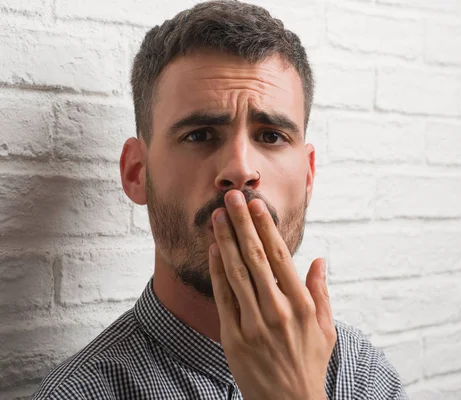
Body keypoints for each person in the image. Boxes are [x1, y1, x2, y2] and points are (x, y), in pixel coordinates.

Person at [32, 1, 408, 398]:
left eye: (271, 136)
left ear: (309, 176)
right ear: (136, 173)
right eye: (199, 135)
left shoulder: (363, 373)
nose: (241, 169)